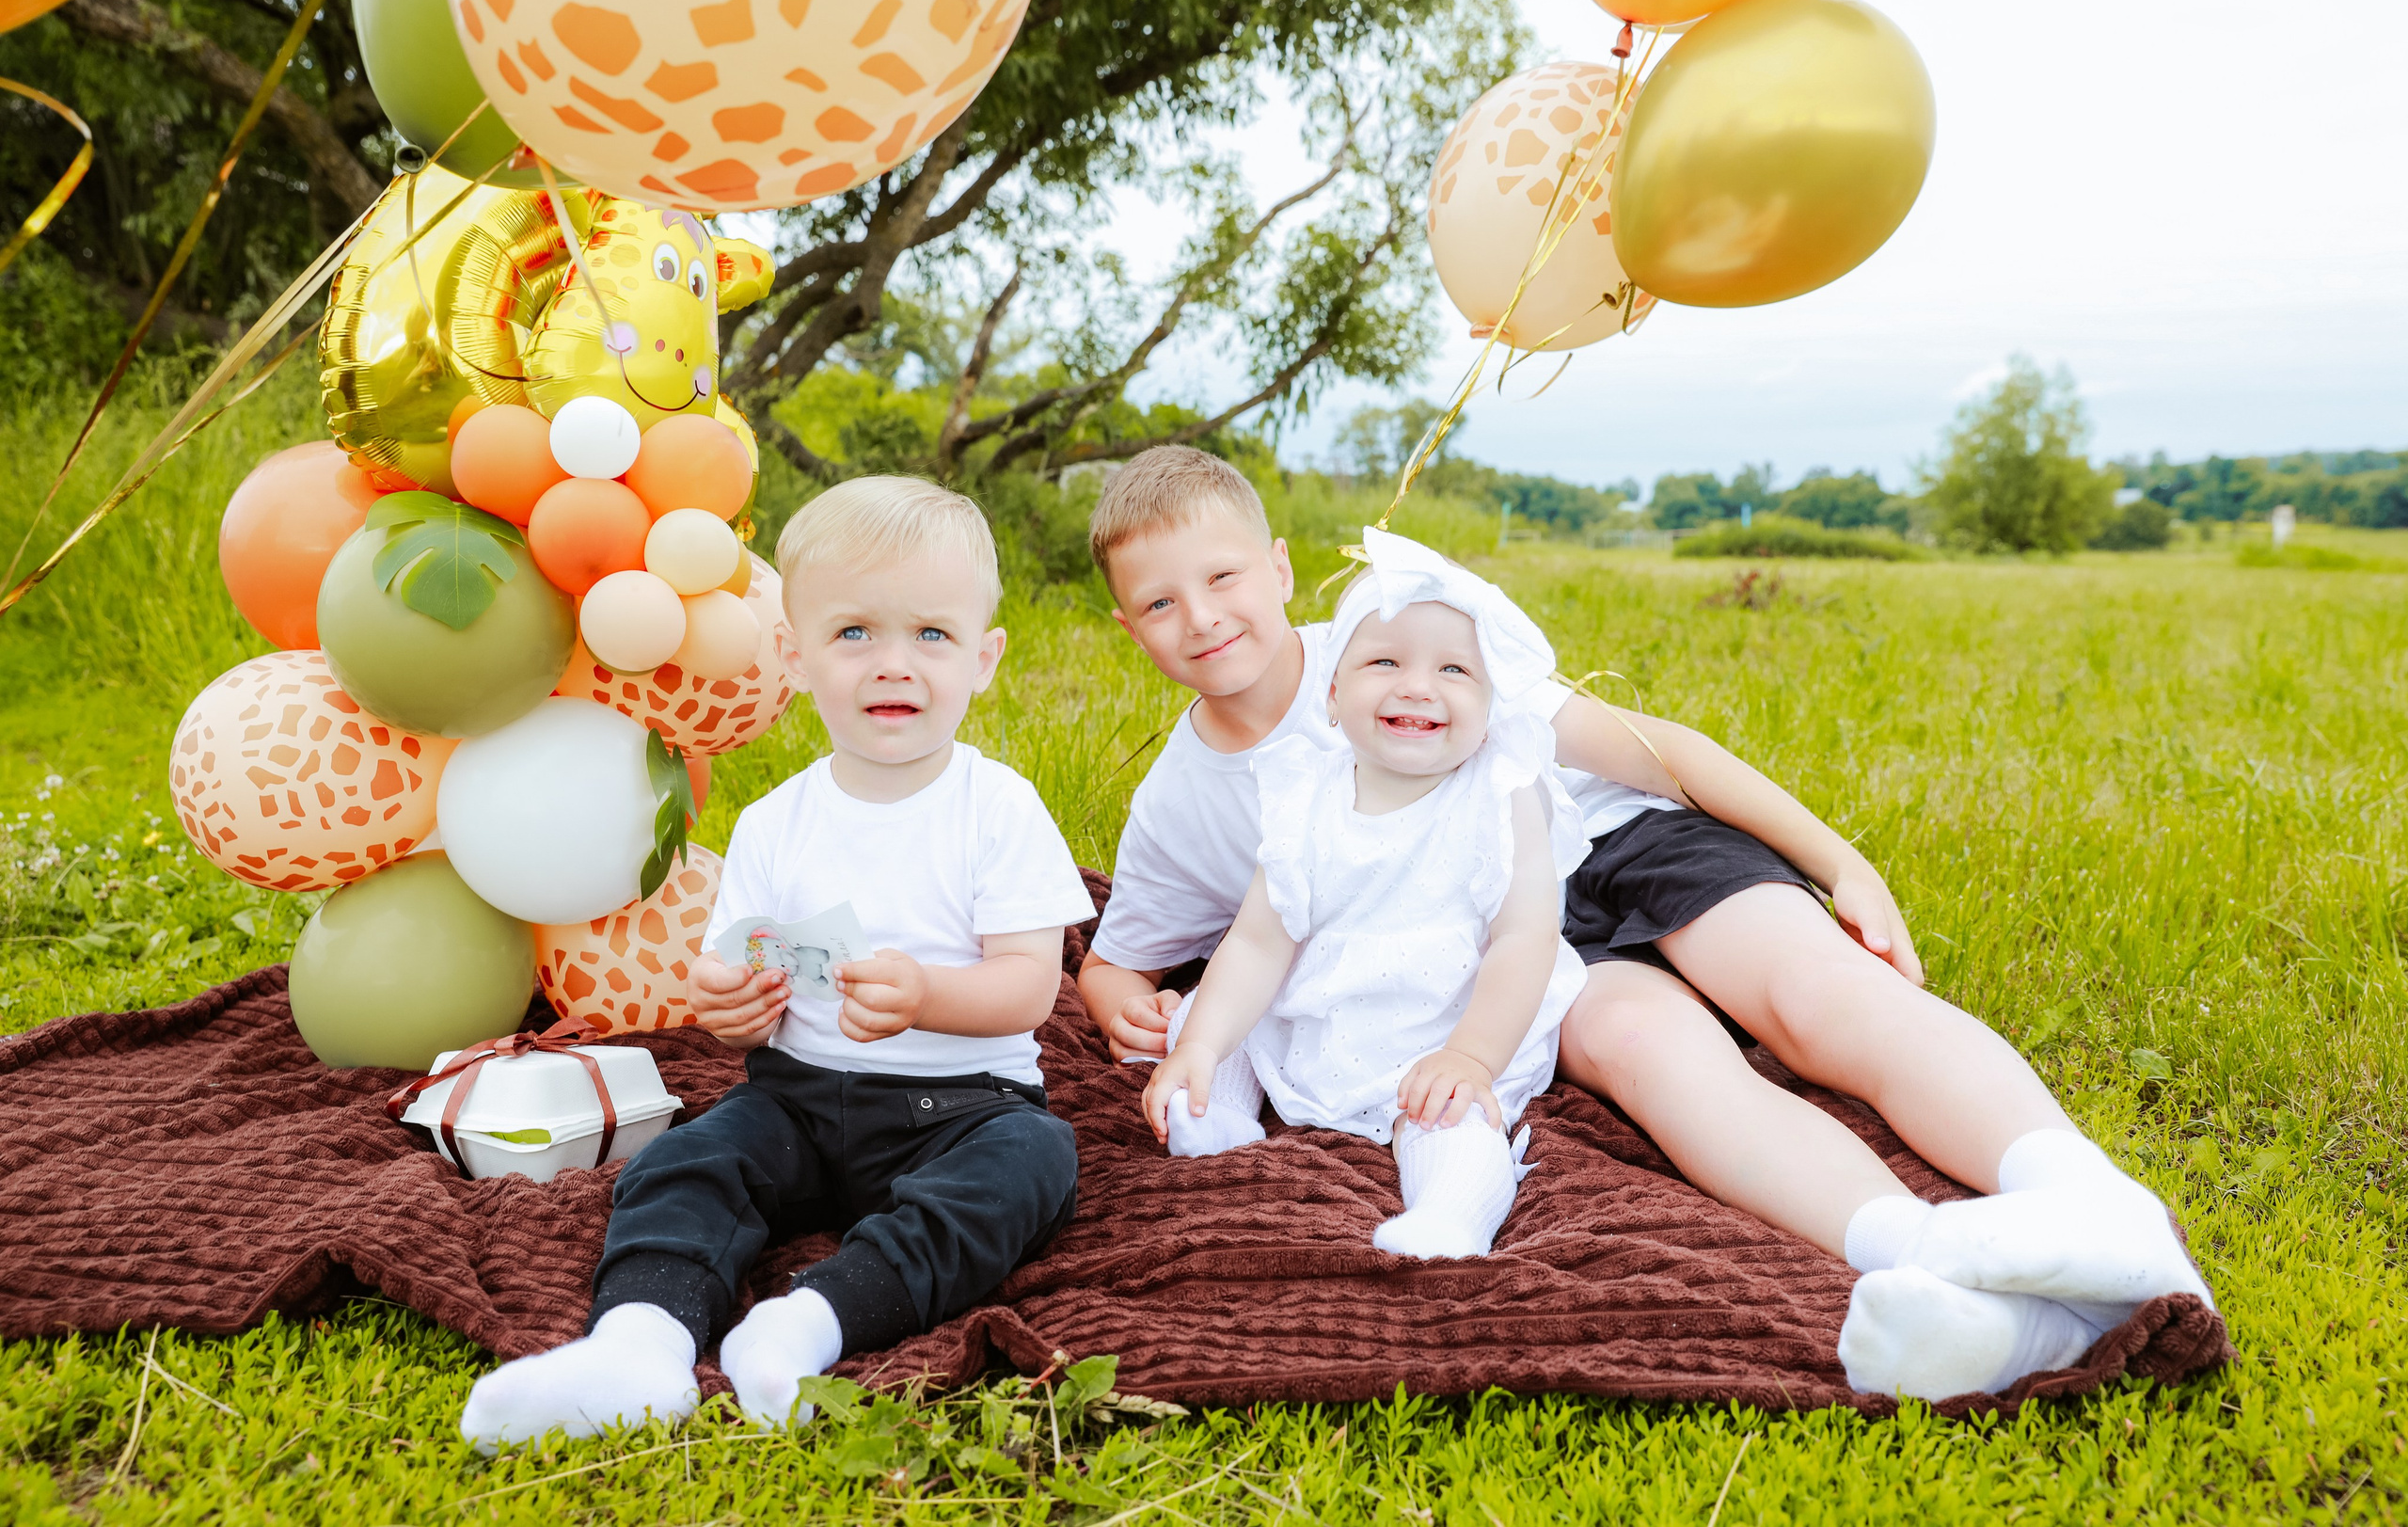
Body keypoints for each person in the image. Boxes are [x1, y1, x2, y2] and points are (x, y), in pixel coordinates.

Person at [1078, 446, 2210, 1401]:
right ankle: (1918, 1258)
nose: (1204, 616)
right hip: (1513, 939)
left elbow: (1652, 751)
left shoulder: (1401, 634)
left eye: (1223, 575)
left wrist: (1838, 860)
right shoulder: (1187, 795)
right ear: (1130, 627)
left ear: (1279, 568)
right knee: (1649, 1050)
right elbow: (1121, 958)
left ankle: (2094, 1205)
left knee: (1812, 997)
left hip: (1619, 839)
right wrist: (1142, 1014)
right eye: (1162, 602)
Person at [460, 476, 1094, 1449]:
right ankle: (641, 1342)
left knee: (1034, 1164)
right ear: (794, 658)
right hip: (797, 1097)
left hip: (961, 1107)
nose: (894, 665)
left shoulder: (995, 809)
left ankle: (809, 1322)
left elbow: (1030, 990)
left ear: (984, 659)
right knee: (687, 1160)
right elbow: (734, 984)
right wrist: (731, 1004)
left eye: (931, 635)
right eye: (854, 634)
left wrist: (928, 995)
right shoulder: (777, 821)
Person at [1141, 532, 1590, 1259]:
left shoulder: (1500, 794)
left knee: (1448, 1115)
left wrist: (1472, 1057)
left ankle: (1451, 1214)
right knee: (1212, 1015)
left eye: (1454, 669)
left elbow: (1524, 938)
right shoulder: (1306, 792)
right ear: (1333, 692)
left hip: (1448, 1019)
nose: (1417, 685)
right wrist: (1199, 1044)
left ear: (1492, 702)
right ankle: (1215, 1117)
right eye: (1384, 661)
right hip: (1316, 1003)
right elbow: (1258, 939)